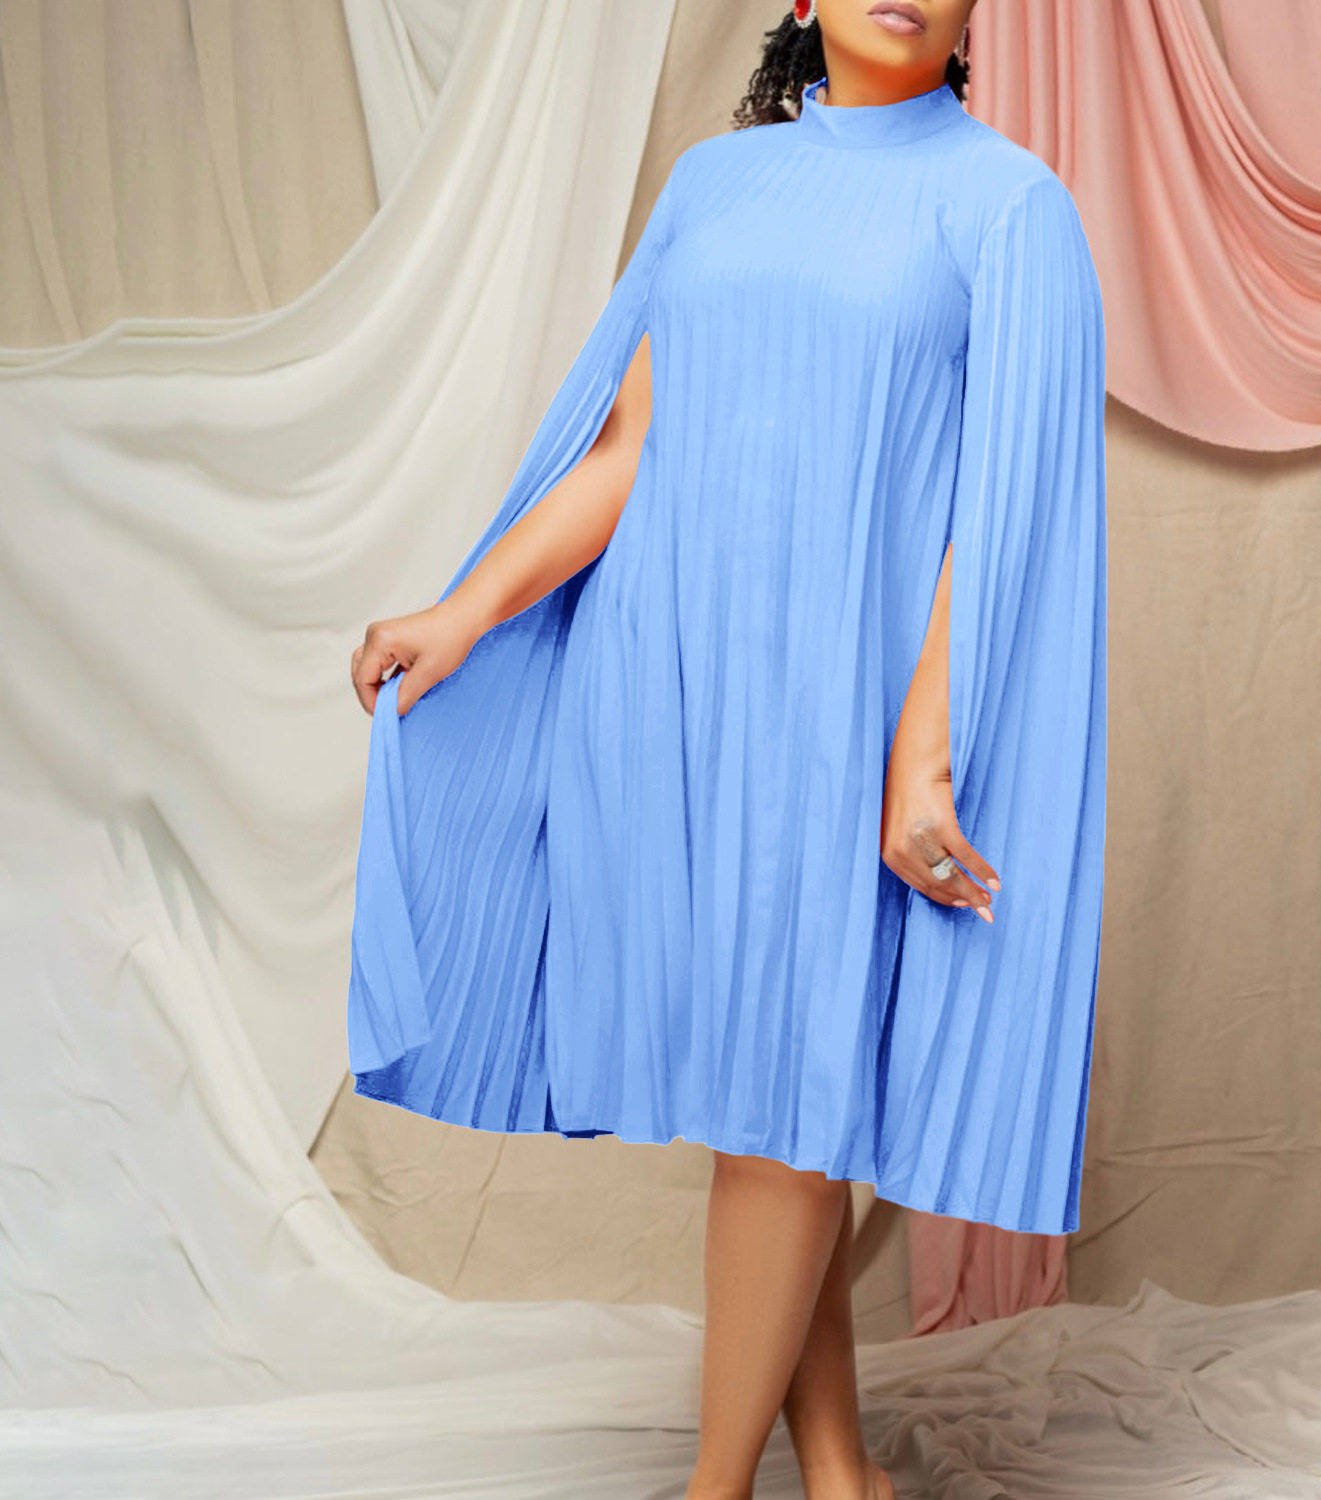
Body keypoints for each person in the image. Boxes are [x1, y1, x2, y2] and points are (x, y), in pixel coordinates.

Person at [346, 1, 1107, 1495]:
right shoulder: (713, 183)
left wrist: (926, 751)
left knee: (785, 1110)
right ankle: (840, 1470)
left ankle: (715, 1487)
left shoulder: (1010, 208)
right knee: (770, 1109)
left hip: (845, 721)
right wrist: (464, 611)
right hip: (684, 695)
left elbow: (1006, 515)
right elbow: (631, 449)